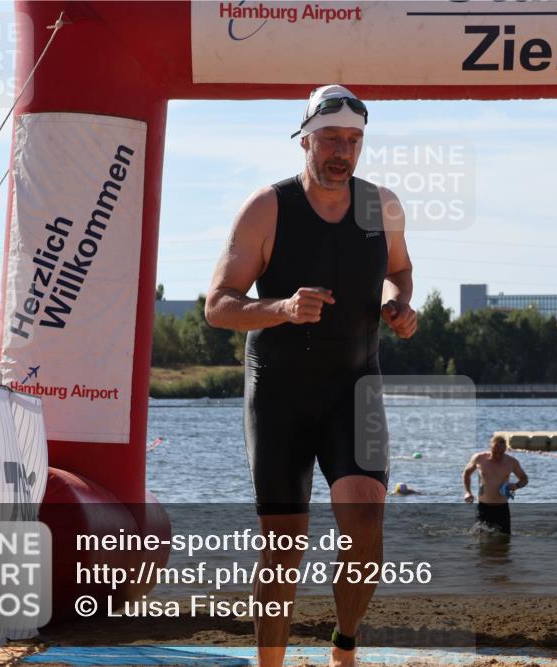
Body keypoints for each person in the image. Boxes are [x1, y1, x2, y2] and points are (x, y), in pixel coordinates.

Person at [204, 84, 417, 667]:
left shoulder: (382, 206)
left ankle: (343, 646)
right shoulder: (267, 208)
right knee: (282, 548)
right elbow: (218, 305)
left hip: (355, 387)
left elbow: (399, 269)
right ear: (304, 141)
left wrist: (399, 304)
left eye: (352, 141)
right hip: (279, 393)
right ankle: (270, 664)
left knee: (365, 526)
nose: (341, 152)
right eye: (329, 140)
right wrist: (280, 309)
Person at [463, 435, 529, 534]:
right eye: (495, 452)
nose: (498, 455)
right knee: (481, 541)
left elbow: (524, 479)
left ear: (505, 450)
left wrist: (516, 486)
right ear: (490, 448)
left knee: (504, 541)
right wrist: (468, 492)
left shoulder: (511, 462)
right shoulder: (479, 459)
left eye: (501, 453)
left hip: (502, 508)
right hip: (483, 508)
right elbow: (466, 473)